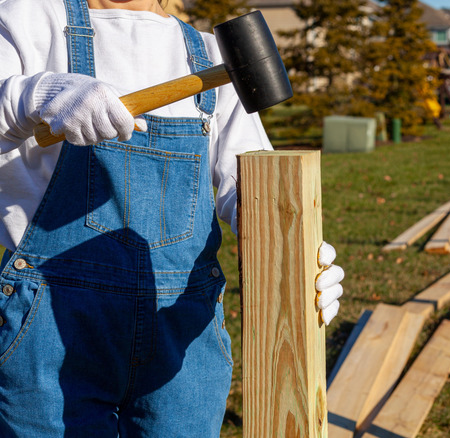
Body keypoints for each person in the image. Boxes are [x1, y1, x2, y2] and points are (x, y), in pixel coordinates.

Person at [0, 0, 343, 435]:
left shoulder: (208, 53)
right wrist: (31, 96)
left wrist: (296, 259)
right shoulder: (29, 18)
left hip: (182, 332)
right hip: (50, 325)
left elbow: (250, 185)